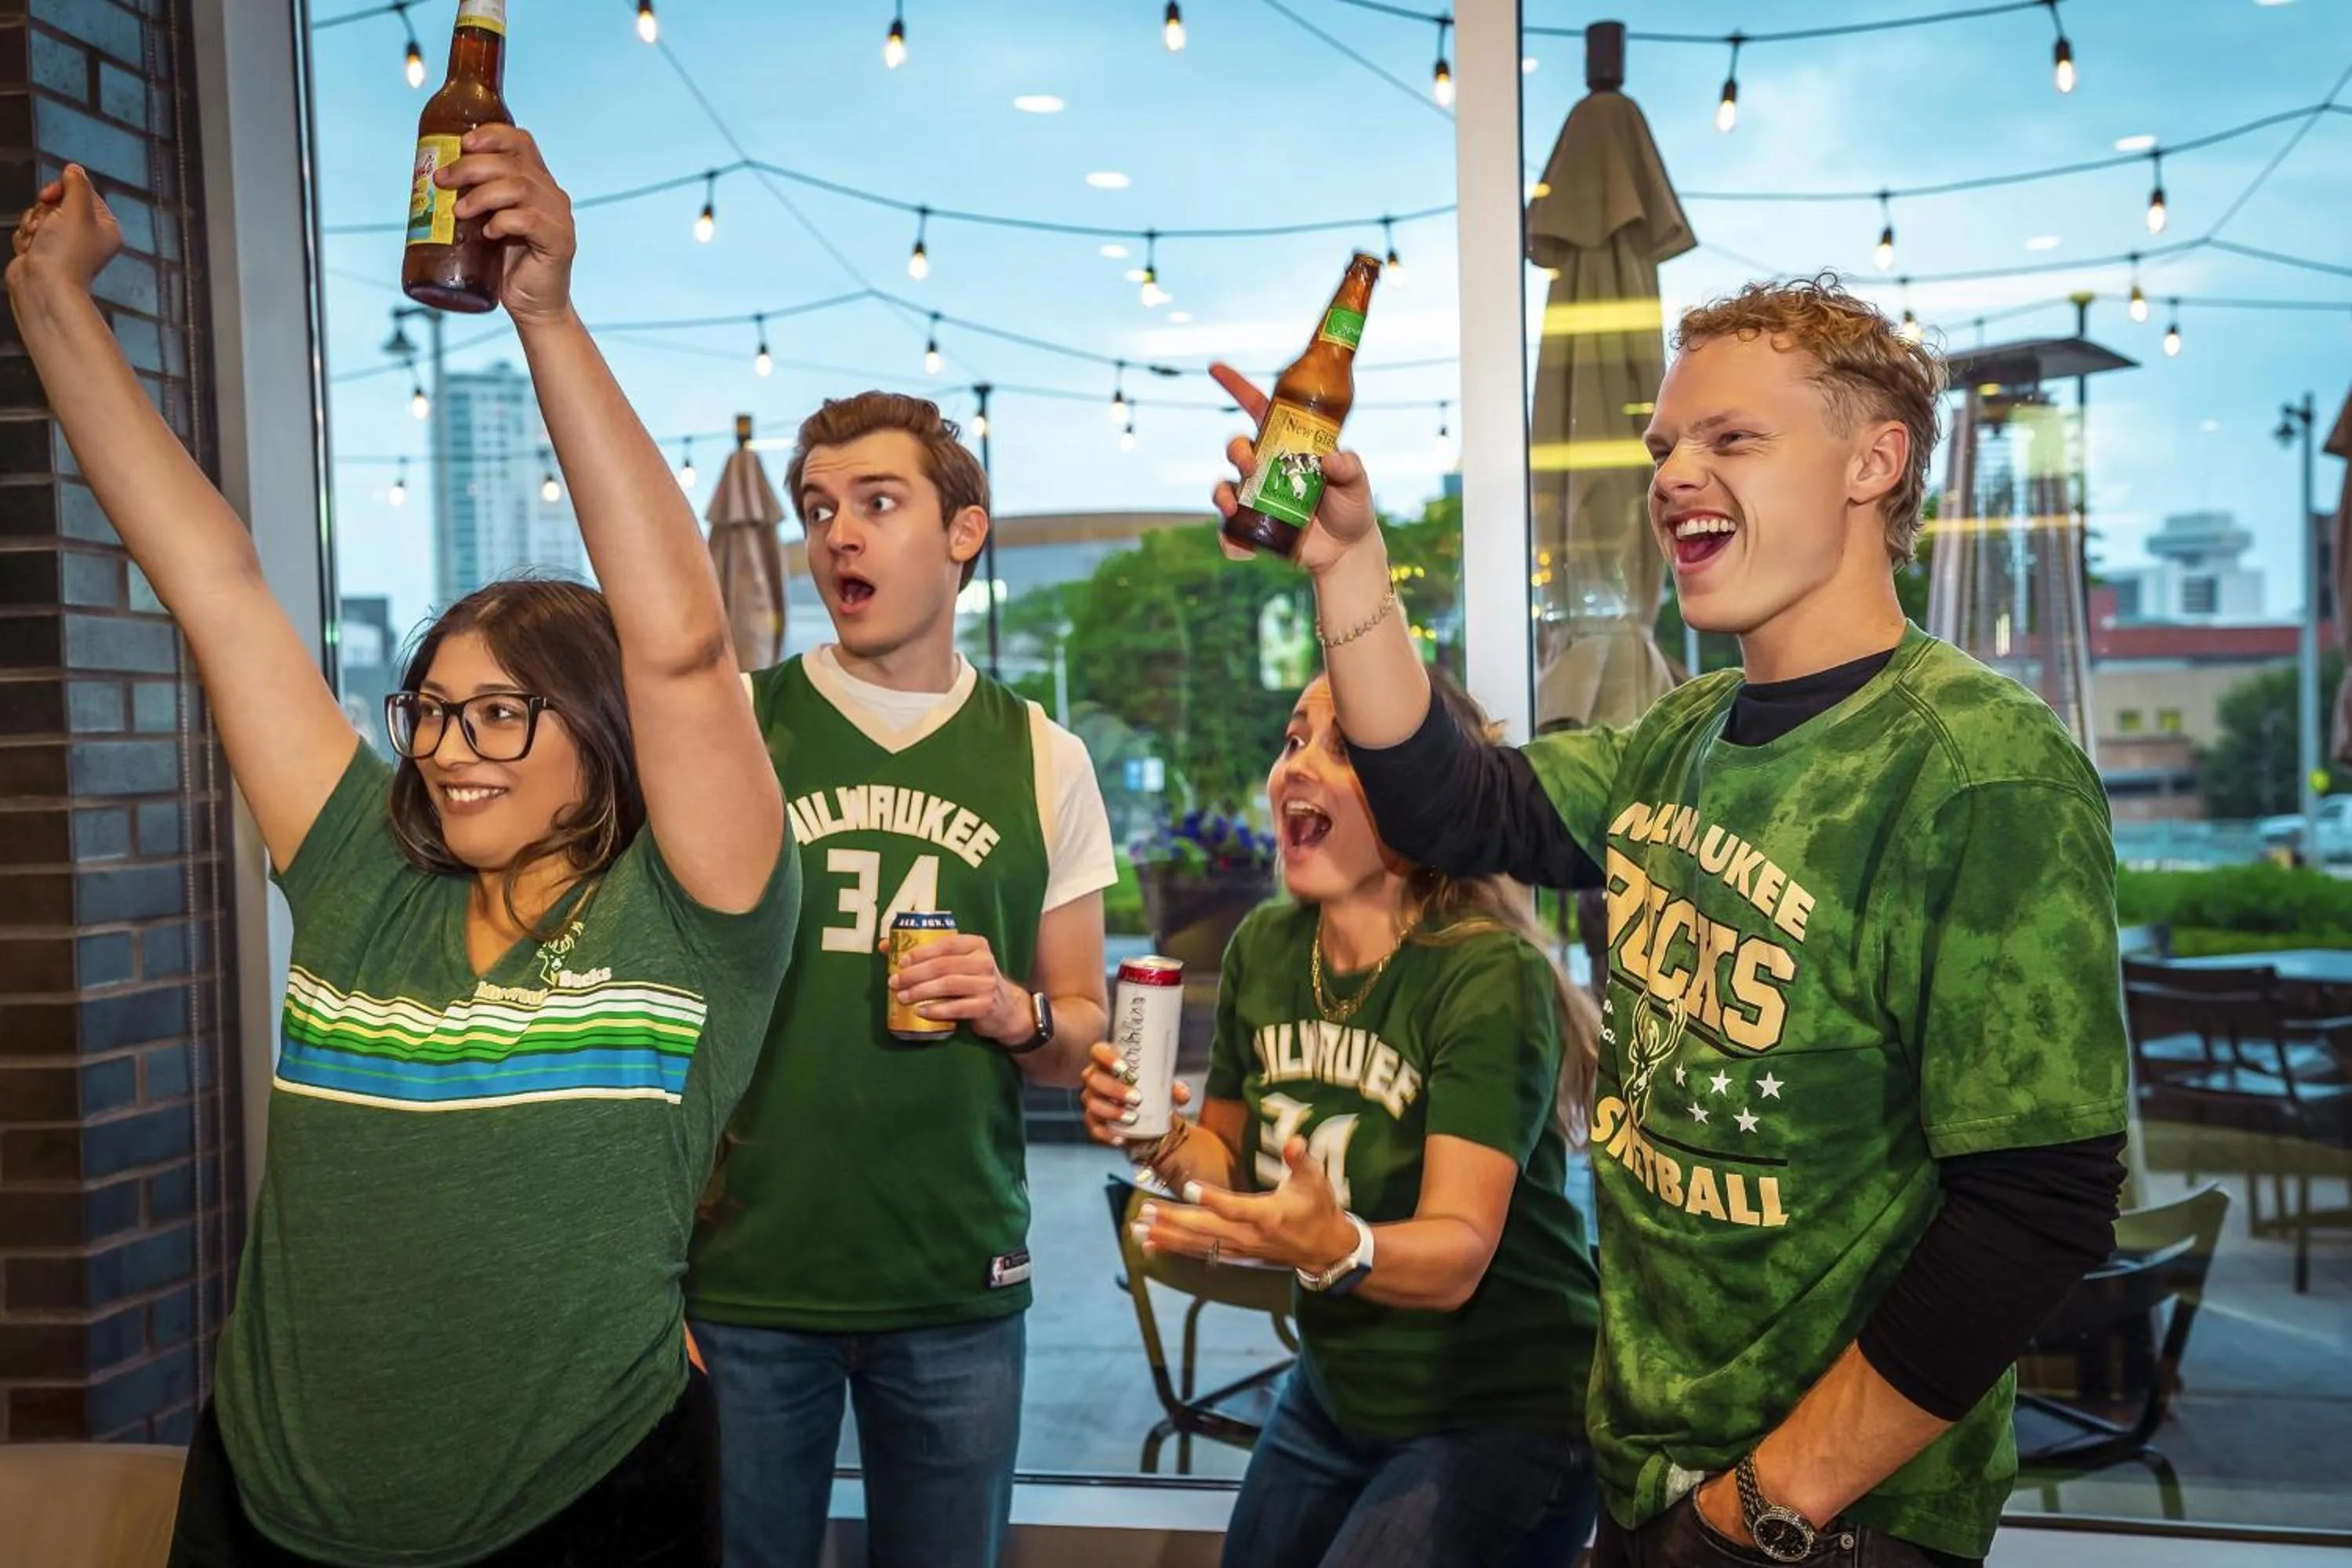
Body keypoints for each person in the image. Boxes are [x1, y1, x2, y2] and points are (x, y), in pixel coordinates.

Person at [1208, 274, 2129, 1568]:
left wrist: (1766, 1503)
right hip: (1651, 1473)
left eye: (1731, 439)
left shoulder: (1979, 771)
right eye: (1664, 447)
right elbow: (1451, 805)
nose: (1675, 473)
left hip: (1837, 1521)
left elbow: (2039, 1208)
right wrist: (1345, 556)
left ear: (1877, 462)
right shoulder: (1681, 738)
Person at [9, 136, 799, 1566]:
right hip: (265, 1503)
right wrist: (55, 301)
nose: (445, 749)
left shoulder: (691, 915)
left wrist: (544, 315)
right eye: (430, 711)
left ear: (603, 729)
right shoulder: (366, 877)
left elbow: (682, 650)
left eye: (500, 712)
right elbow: (216, 585)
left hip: (574, 1505)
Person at [685, 394, 1117, 1568]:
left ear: (965, 532)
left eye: (877, 503)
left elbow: (1081, 1032)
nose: (838, 536)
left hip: (956, 1276)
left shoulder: (1044, 755)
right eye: (820, 510)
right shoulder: (741, 726)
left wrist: (1014, 1008)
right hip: (750, 1277)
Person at [1081, 670, 1603, 1567]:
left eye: (1344, 746)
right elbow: (1230, 1167)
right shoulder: (1267, 947)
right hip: (1336, 1389)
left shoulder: (1486, 974)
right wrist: (1158, 1140)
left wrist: (1336, 1245)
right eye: (1293, 740)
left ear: (1423, 786)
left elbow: (1455, 1255)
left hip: (1503, 1411)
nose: (1296, 766)